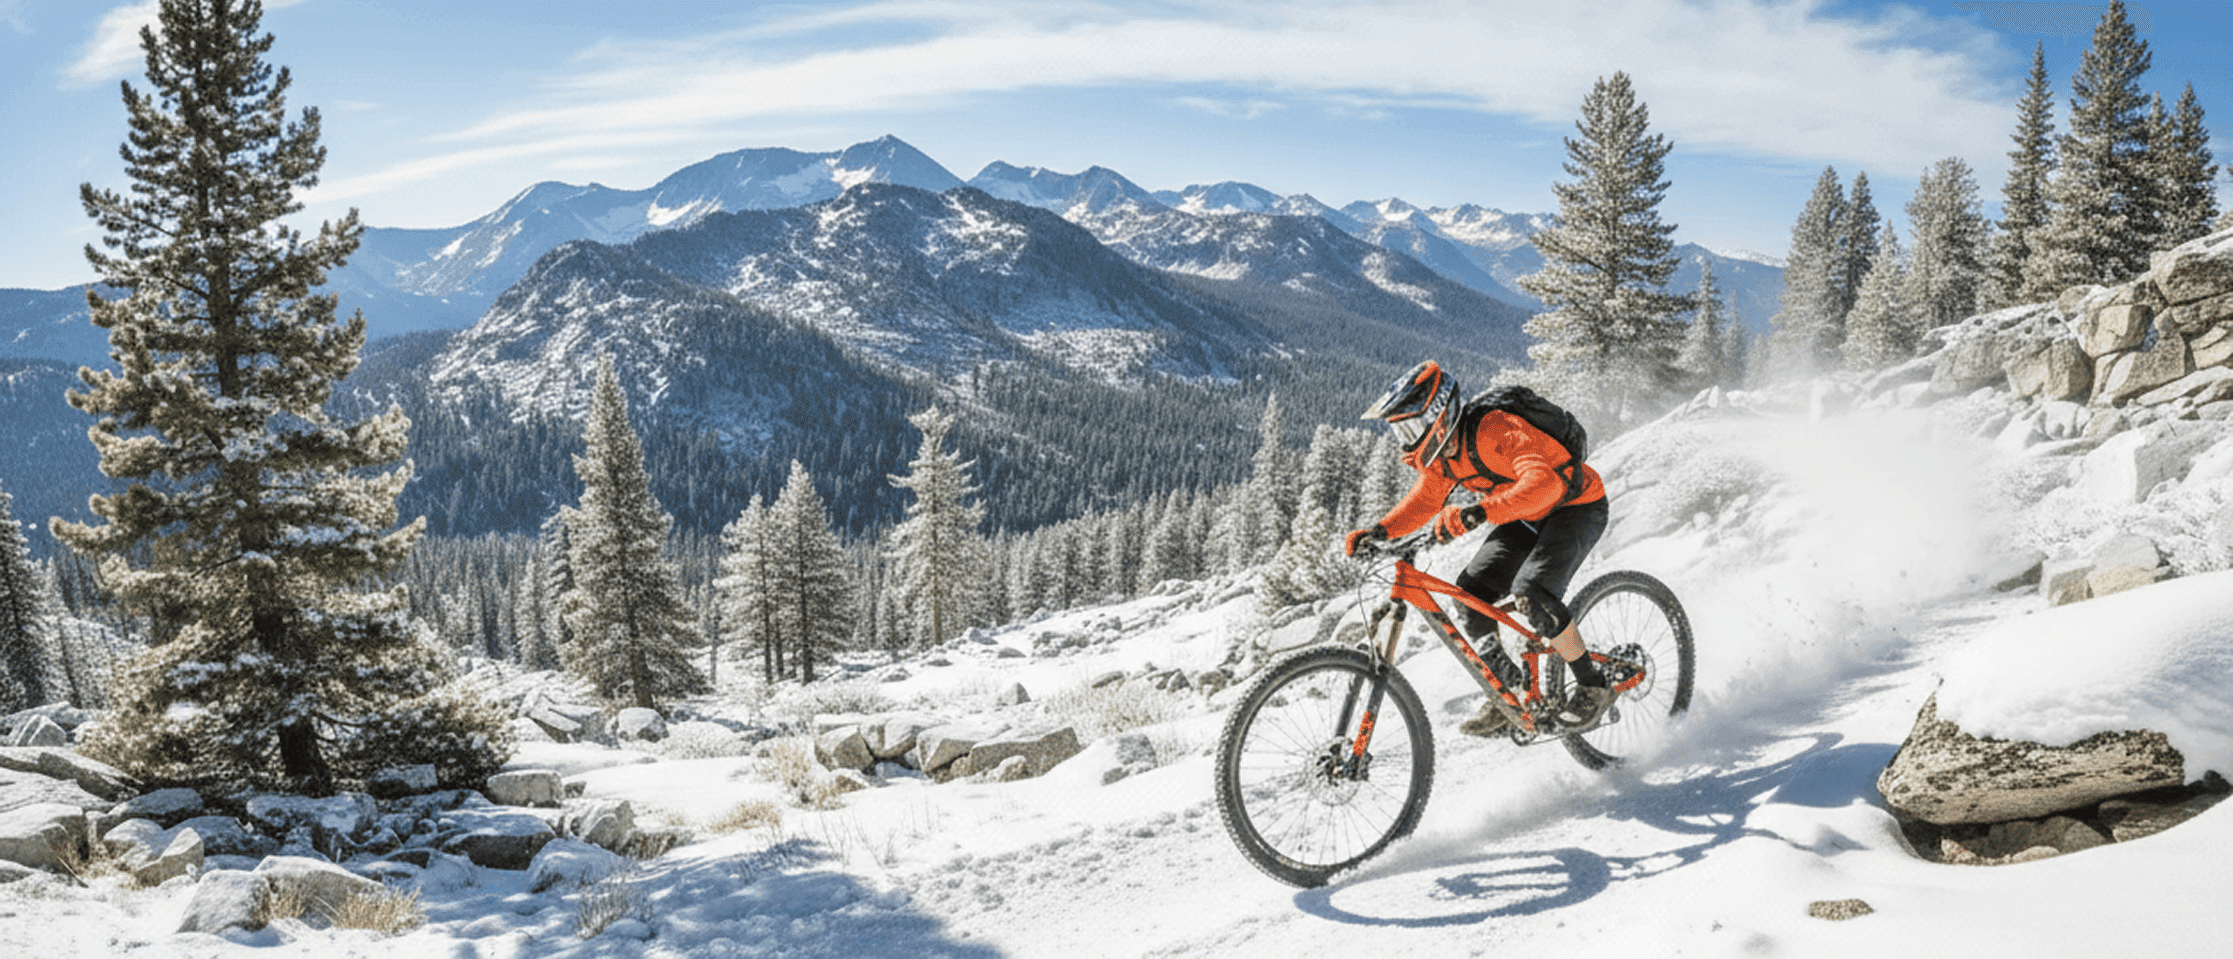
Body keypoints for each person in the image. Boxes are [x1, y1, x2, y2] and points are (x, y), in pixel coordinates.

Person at [1344, 360, 1614, 734]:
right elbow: (1425, 501)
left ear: (1439, 416)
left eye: (1412, 426)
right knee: (1471, 594)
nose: (1407, 438)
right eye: (1400, 431)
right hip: (1523, 516)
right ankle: (1510, 694)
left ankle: (1592, 685)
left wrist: (1480, 510)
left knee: (1531, 593)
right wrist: (1379, 532)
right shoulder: (1445, 457)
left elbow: (1545, 483)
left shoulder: (1495, 429)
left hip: (1575, 508)